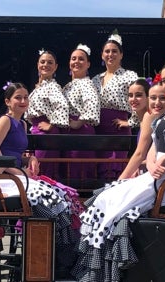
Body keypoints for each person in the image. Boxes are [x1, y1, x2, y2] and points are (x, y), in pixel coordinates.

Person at [72, 53, 165, 281]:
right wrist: (154, 161)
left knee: (117, 205)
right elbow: (154, 147)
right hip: (160, 177)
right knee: (108, 197)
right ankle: (100, 265)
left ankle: (109, 266)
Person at [0, 76, 79, 277]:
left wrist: (21, 171)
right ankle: (44, 260)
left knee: (59, 195)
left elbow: (0, 157)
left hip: (0, 178)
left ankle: (55, 256)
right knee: (48, 198)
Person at [0, 82, 83, 276]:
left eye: (26, 97)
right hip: (7, 176)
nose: (23, 101)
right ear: (8, 101)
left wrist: (30, 157)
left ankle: (59, 253)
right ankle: (51, 257)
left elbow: (16, 152)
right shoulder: (4, 121)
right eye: (18, 97)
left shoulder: (23, 123)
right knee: (51, 201)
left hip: (20, 174)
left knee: (66, 197)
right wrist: (17, 171)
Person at [92, 31, 139, 179]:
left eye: (114, 51)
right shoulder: (95, 79)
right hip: (98, 129)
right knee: (99, 167)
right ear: (102, 55)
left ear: (121, 55)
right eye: (107, 51)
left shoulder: (129, 76)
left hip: (117, 128)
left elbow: (141, 101)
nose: (110, 54)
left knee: (115, 168)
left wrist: (130, 122)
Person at [25, 50, 69, 178]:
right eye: (43, 62)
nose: (46, 65)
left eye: (50, 62)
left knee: (43, 169)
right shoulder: (39, 87)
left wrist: (51, 124)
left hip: (46, 135)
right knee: (36, 168)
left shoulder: (53, 86)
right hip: (36, 132)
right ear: (38, 64)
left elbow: (62, 105)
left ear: (55, 67)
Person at [118, 79, 165, 179]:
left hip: (156, 172)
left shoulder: (149, 115)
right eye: (130, 95)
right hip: (148, 169)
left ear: (148, 97)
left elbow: (140, 153)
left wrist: (120, 180)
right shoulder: (142, 119)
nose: (133, 99)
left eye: (138, 95)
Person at [61, 43, 100, 180]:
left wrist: (79, 123)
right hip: (68, 133)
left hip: (81, 133)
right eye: (73, 58)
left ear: (88, 64)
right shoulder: (67, 86)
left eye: (81, 59)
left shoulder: (87, 83)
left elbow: (92, 103)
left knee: (78, 172)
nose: (76, 62)